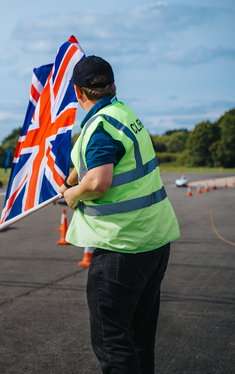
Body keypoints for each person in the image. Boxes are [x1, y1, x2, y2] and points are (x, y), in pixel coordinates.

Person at [59, 56, 180, 374]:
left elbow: (99, 181)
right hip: (154, 243)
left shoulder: (98, 127)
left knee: (113, 345)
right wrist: (71, 179)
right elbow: (100, 161)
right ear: (112, 85)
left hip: (121, 248)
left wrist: (72, 195)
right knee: (140, 341)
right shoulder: (122, 114)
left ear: (77, 92)